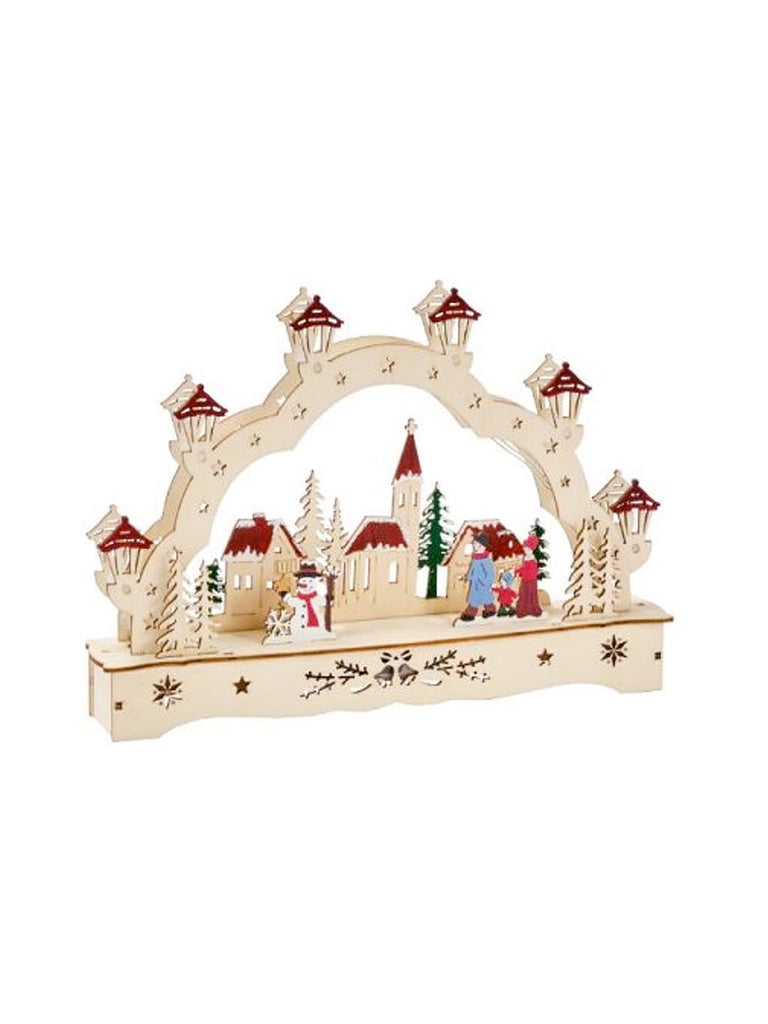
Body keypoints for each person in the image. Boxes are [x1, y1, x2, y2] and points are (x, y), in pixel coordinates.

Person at [460, 532, 497, 621]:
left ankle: (490, 610)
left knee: (486, 598)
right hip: (475, 584)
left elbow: (490, 573)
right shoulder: (475, 558)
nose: (473, 545)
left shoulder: (486, 560)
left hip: (483, 584)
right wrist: (468, 577)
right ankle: (470, 613)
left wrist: (487, 582)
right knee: (474, 599)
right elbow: (472, 570)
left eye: (475, 543)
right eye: (473, 543)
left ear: (481, 546)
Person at [516, 535, 542, 618]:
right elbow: (524, 568)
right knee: (523, 594)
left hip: (531, 581)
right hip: (525, 580)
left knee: (530, 595)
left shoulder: (533, 560)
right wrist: (518, 571)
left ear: (531, 549)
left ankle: (532, 610)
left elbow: (531, 572)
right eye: (524, 549)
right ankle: (523, 610)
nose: (525, 550)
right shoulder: (525, 558)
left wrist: (520, 571)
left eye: (527, 549)